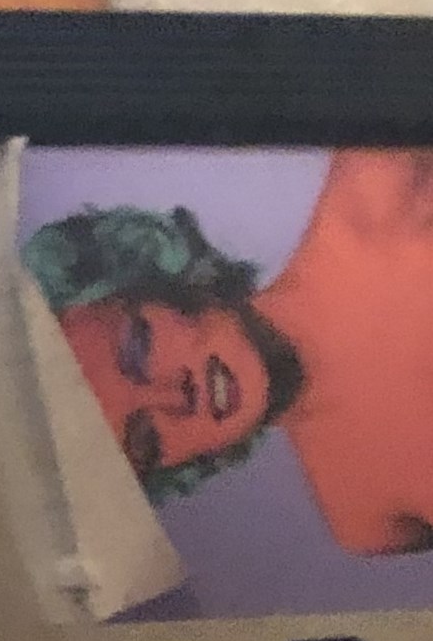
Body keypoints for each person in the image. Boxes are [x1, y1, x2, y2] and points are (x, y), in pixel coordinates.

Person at [40, 149, 433, 550]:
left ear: (155, 278)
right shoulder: (362, 518)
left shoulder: (379, 183)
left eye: (139, 350)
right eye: (145, 439)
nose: (175, 397)